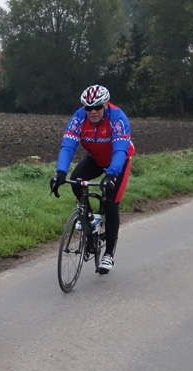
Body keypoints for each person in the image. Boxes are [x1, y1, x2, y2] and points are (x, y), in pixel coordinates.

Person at [50, 84, 135, 274]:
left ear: (105, 105)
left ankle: (109, 254)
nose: (93, 111)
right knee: (75, 179)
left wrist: (111, 175)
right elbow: (68, 146)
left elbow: (120, 151)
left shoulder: (118, 118)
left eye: (97, 107)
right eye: (88, 108)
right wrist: (60, 172)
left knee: (111, 202)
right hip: (95, 159)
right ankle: (89, 218)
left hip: (119, 161)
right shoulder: (79, 118)